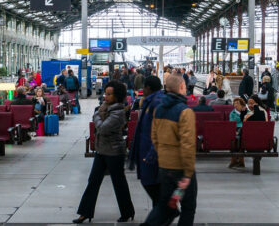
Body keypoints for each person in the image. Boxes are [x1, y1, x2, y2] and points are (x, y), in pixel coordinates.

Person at [73, 81, 135, 223]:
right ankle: (85, 212)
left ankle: (127, 212)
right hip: (101, 150)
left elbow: (103, 128)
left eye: (109, 94)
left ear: (117, 96)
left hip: (114, 152)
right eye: (105, 93)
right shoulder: (104, 108)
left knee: (119, 183)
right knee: (93, 181)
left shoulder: (118, 112)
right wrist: (97, 115)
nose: (105, 96)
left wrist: (95, 116)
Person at [141, 74, 196, 226]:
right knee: (188, 206)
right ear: (181, 87)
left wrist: (163, 155)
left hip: (164, 166)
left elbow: (154, 137)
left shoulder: (158, 109)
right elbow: (188, 144)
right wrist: (188, 173)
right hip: (180, 167)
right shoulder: (185, 112)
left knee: (165, 205)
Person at [129, 76, 163, 206]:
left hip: (151, 154)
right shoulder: (150, 101)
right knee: (152, 186)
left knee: (152, 185)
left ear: (148, 88)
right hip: (146, 152)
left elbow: (159, 130)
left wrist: (153, 152)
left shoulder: (156, 102)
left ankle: (166, 211)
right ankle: (162, 211)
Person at [228, 98, 247, 169]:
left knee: (242, 138)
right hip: (236, 129)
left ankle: (236, 161)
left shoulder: (246, 112)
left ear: (242, 105)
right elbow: (232, 123)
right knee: (236, 139)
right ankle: (237, 161)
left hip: (245, 129)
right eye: (234, 103)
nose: (235, 105)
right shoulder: (232, 113)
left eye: (237, 103)